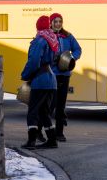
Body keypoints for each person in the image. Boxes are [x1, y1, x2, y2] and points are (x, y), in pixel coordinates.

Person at [20, 15, 59, 149]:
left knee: (33, 111)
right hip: (51, 80)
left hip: (40, 80)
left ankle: (31, 141)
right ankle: (52, 140)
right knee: (44, 112)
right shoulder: (53, 40)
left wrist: (25, 75)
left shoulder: (40, 40)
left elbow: (34, 61)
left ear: (37, 27)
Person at [48, 12, 81, 142]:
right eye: (55, 22)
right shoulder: (47, 36)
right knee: (51, 105)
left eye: (60, 22)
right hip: (52, 74)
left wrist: (71, 59)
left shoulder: (68, 36)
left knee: (61, 105)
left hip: (64, 75)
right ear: (51, 23)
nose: (58, 24)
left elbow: (78, 49)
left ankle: (59, 133)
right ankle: (43, 131)